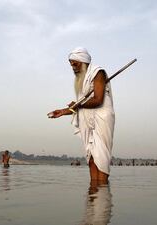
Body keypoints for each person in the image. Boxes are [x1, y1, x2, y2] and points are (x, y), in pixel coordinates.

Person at [48, 47, 115, 184]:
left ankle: (101, 195)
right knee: (91, 158)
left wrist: (78, 104)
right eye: (71, 64)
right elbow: (80, 105)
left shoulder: (98, 73)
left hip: (101, 120)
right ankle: (94, 193)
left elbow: (97, 100)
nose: (73, 67)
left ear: (83, 62)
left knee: (100, 158)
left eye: (75, 64)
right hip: (88, 121)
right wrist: (62, 112)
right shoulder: (82, 79)